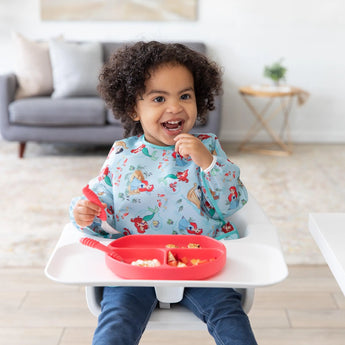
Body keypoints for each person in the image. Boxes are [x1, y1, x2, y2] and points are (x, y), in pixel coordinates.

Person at [70, 41, 257, 345]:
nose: (175, 107)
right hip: (136, 265)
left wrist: (208, 163)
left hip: (202, 262)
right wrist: (82, 213)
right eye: (159, 98)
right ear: (133, 108)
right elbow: (97, 207)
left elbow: (232, 203)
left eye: (185, 95)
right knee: (116, 321)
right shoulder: (121, 155)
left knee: (229, 317)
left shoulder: (208, 148)